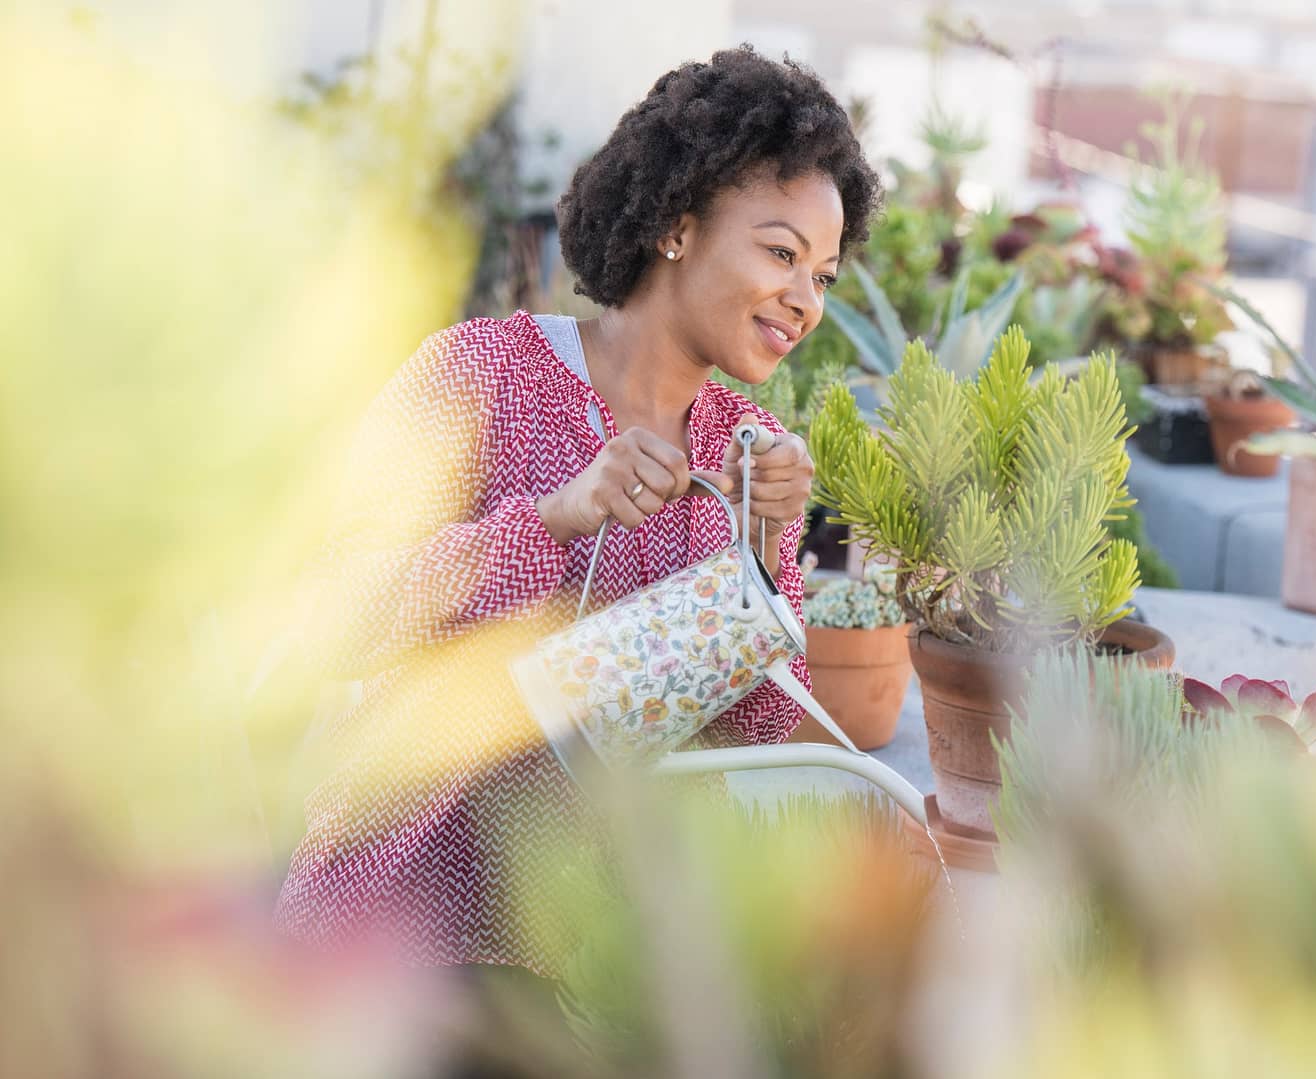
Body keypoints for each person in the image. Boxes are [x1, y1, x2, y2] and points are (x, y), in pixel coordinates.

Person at [275, 45, 882, 974]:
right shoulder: (479, 373)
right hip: (406, 925)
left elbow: (750, 727)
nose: (805, 303)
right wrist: (554, 516)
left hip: (600, 950)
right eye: (780, 254)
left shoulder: (747, 450)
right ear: (677, 225)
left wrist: (762, 553)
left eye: (825, 277)